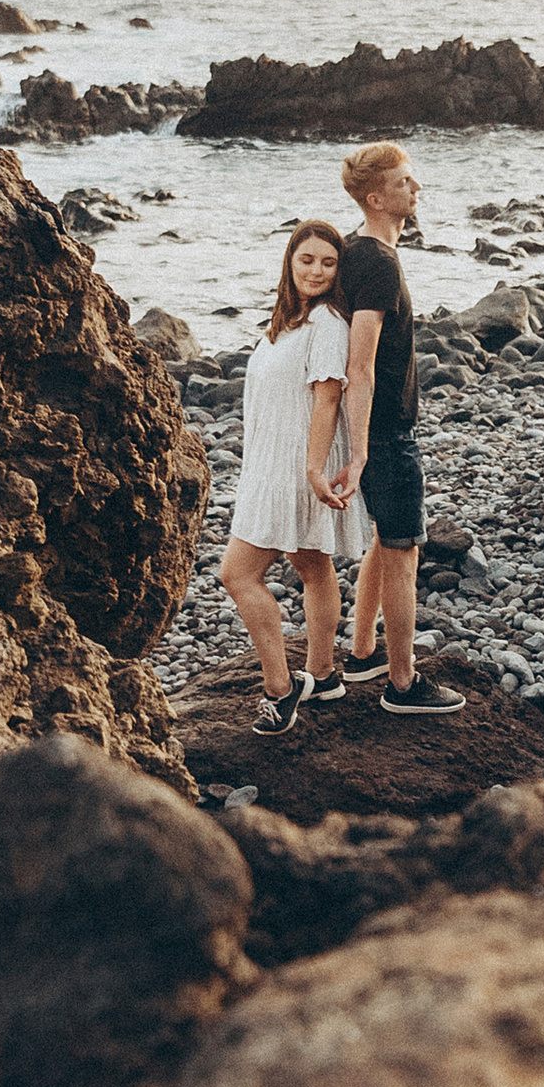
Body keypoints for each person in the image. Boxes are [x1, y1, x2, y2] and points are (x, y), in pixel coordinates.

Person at [218, 218, 371, 737]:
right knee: (311, 563)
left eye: (328, 263)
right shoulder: (290, 319)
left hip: (297, 466)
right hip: (272, 462)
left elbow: (328, 399)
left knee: (237, 575)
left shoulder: (328, 322)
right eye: (307, 259)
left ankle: (281, 692)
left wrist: (312, 469)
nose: (316, 270)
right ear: (289, 260)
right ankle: (324, 675)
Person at [331, 142, 465, 715]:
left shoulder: (355, 248)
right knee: (405, 549)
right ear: (376, 197)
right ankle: (404, 686)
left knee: (386, 545)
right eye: (407, 182)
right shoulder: (379, 263)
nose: (417, 189)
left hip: (377, 430)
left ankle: (364, 653)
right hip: (385, 433)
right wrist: (360, 451)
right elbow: (359, 366)